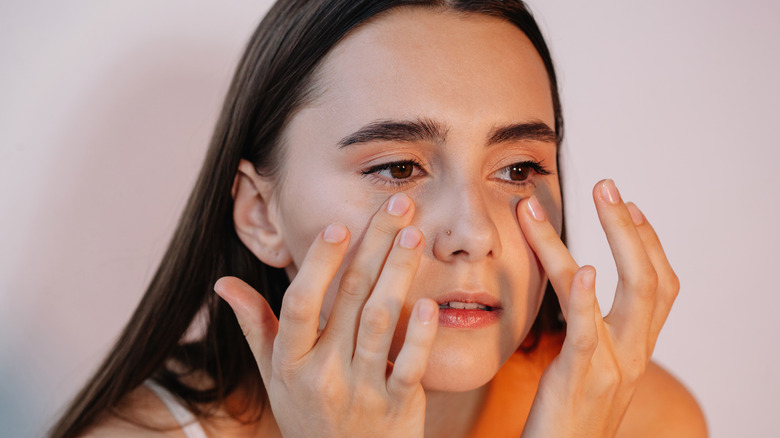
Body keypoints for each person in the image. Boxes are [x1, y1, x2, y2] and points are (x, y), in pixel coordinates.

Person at [50, 0, 707, 436]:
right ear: (260, 214)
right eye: (398, 168)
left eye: (517, 170)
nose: (474, 234)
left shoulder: (637, 417)